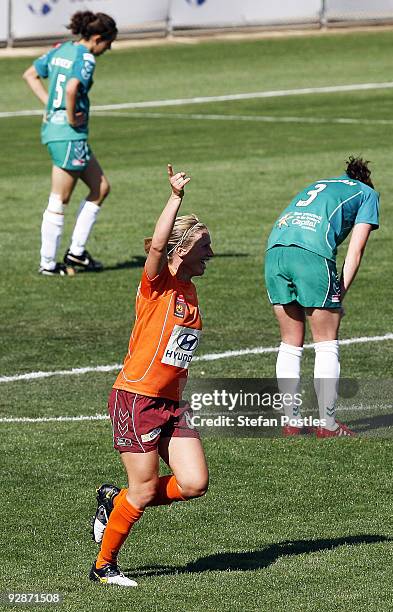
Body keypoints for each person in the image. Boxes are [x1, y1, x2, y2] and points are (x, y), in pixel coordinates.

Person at [89, 165, 214, 587]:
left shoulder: (190, 291)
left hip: (170, 404)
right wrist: (175, 198)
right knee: (141, 492)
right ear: (182, 250)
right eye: (205, 248)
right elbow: (158, 245)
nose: (210, 256)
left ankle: (115, 500)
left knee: (194, 482)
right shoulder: (157, 283)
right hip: (137, 399)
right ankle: (104, 566)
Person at [265, 157, 380, 437]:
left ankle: (292, 421)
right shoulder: (367, 194)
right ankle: (328, 425)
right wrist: (339, 292)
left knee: (290, 343)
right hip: (311, 255)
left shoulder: (321, 184)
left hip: (275, 252)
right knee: (326, 342)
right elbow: (357, 250)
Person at [22, 11, 117, 275]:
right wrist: (69, 115)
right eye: (108, 42)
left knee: (101, 188)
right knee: (59, 199)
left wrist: (50, 106)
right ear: (97, 38)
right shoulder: (85, 58)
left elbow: (30, 74)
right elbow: (72, 88)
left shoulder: (60, 49)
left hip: (58, 131)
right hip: (68, 135)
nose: (109, 48)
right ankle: (48, 264)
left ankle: (76, 254)